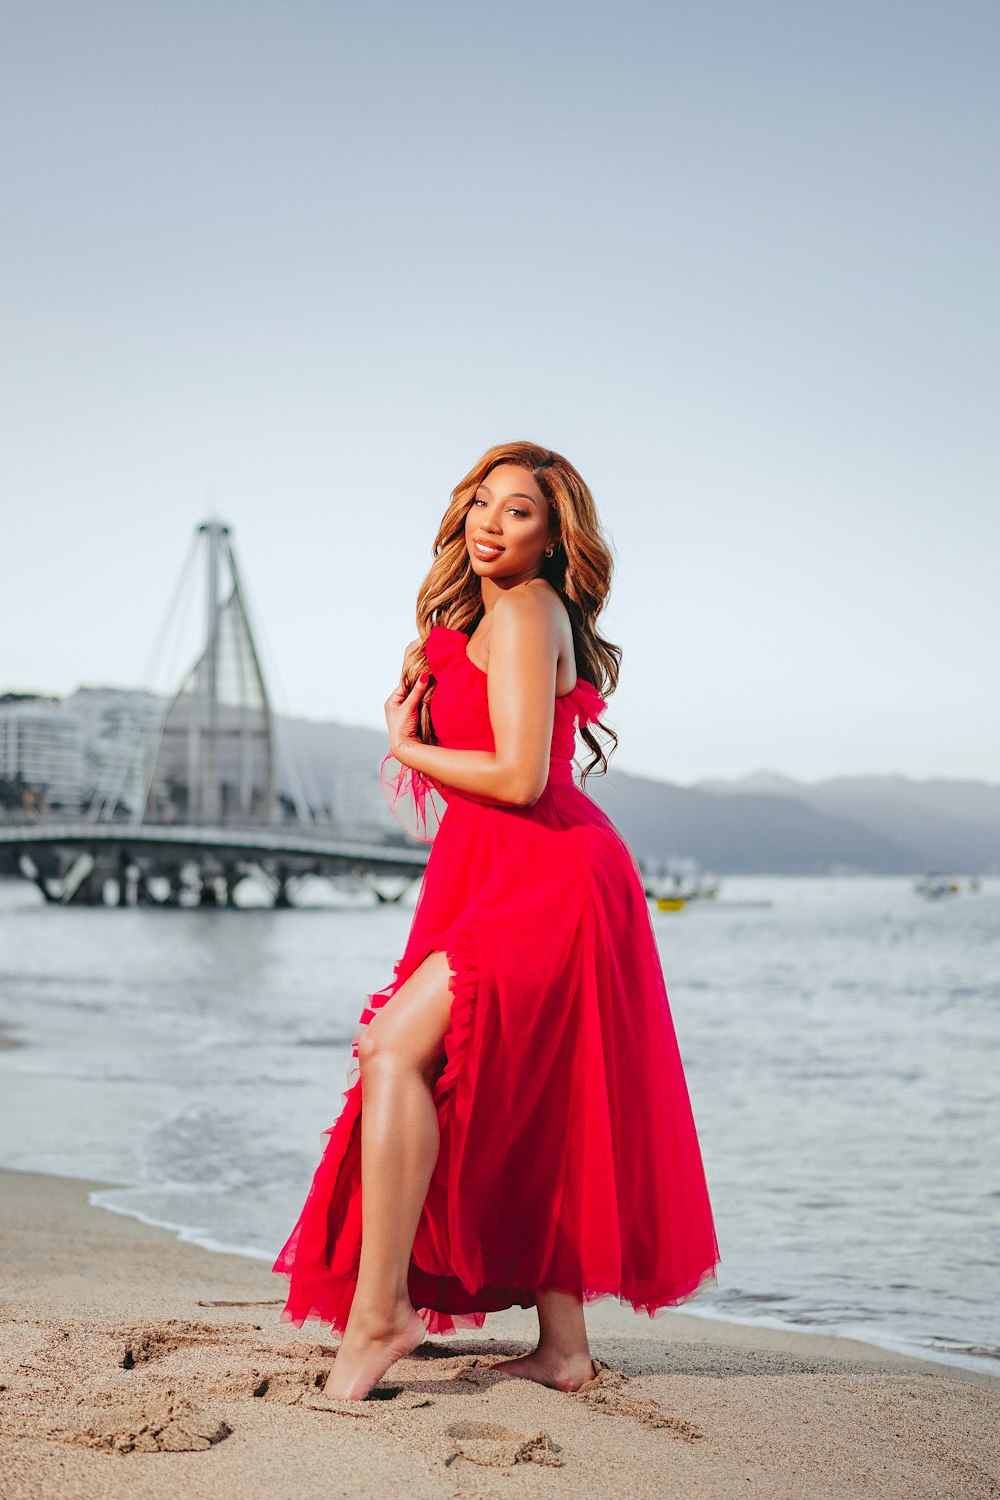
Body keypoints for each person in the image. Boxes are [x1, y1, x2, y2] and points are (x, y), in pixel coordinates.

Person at [272, 440, 721, 1400]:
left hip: (547, 873)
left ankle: (382, 1313)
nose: (490, 523)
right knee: (530, 1093)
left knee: (394, 1052)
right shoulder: (494, 612)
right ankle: (564, 1350)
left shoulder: (525, 609)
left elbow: (518, 778)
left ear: (555, 538)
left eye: (518, 511)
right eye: (482, 502)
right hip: (507, 870)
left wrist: (403, 745)